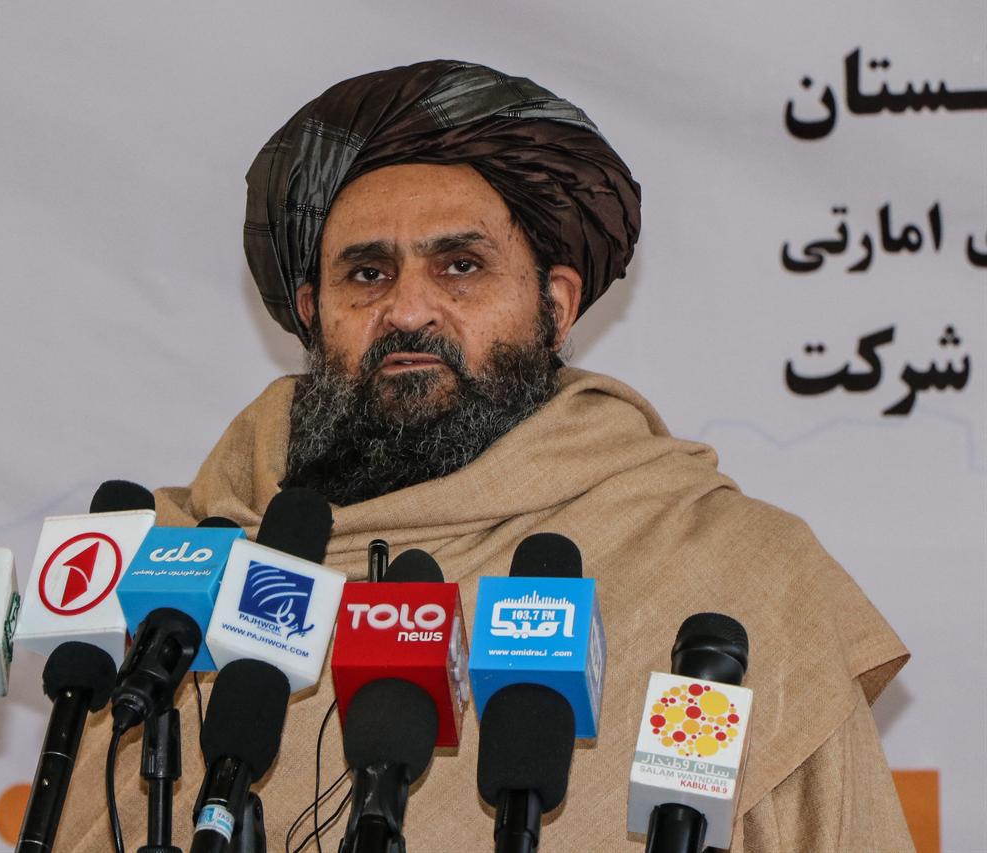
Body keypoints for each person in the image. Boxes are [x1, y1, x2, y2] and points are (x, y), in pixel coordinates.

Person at [57, 60, 912, 851]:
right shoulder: (175, 575)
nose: (409, 310)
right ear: (311, 311)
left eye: (461, 265)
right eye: (366, 275)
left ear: (556, 301)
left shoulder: (732, 568)